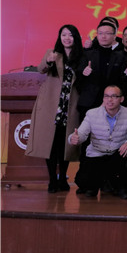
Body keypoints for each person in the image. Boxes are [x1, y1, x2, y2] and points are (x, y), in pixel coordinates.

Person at [26, 24, 84, 193]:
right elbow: (41, 69)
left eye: (70, 35)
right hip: (52, 104)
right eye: (64, 35)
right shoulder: (52, 53)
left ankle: (63, 178)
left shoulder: (81, 56)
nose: (67, 38)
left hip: (71, 104)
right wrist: (48, 61)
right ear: (60, 37)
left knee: (65, 143)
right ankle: (52, 179)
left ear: (76, 37)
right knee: (50, 143)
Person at [68, 85, 127, 199]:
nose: (110, 100)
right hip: (97, 153)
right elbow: (81, 133)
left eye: (114, 96)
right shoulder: (92, 114)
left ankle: (116, 184)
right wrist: (74, 138)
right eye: (107, 96)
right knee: (84, 183)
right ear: (103, 98)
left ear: (121, 99)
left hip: (117, 153)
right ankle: (102, 182)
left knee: (125, 168)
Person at [76, 20, 127, 121]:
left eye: (107, 33)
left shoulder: (121, 57)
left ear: (114, 36)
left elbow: (123, 82)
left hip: (112, 104)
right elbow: (78, 80)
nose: (103, 36)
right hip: (88, 103)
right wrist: (84, 74)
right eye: (100, 33)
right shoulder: (87, 54)